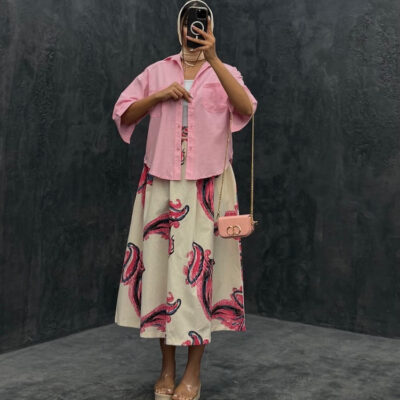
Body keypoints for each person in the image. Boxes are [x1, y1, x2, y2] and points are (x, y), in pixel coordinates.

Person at [111, 1, 257, 399]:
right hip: (162, 184)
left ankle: (193, 372)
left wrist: (214, 58)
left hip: (208, 187)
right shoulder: (157, 71)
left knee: (199, 279)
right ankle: (166, 367)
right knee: (162, 276)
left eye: (202, 20)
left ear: (211, 26)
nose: (195, 28)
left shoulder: (226, 72)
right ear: (179, 27)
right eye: (190, 21)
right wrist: (158, 96)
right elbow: (124, 113)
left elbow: (246, 108)